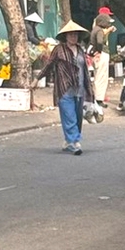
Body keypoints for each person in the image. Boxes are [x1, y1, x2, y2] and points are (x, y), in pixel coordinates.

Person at [46, 22, 93, 154]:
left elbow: (85, 70)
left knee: (77, 118)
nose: (73, 37)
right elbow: (49, 65)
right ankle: (75, 143)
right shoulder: (59, 50)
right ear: (66, 36)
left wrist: (89, 89)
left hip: (79, 89)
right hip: (64, 89)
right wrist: (36, 80)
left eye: (75, 35)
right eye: (71, 35)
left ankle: (68, 141)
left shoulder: (80, 50)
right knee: (69, 116)